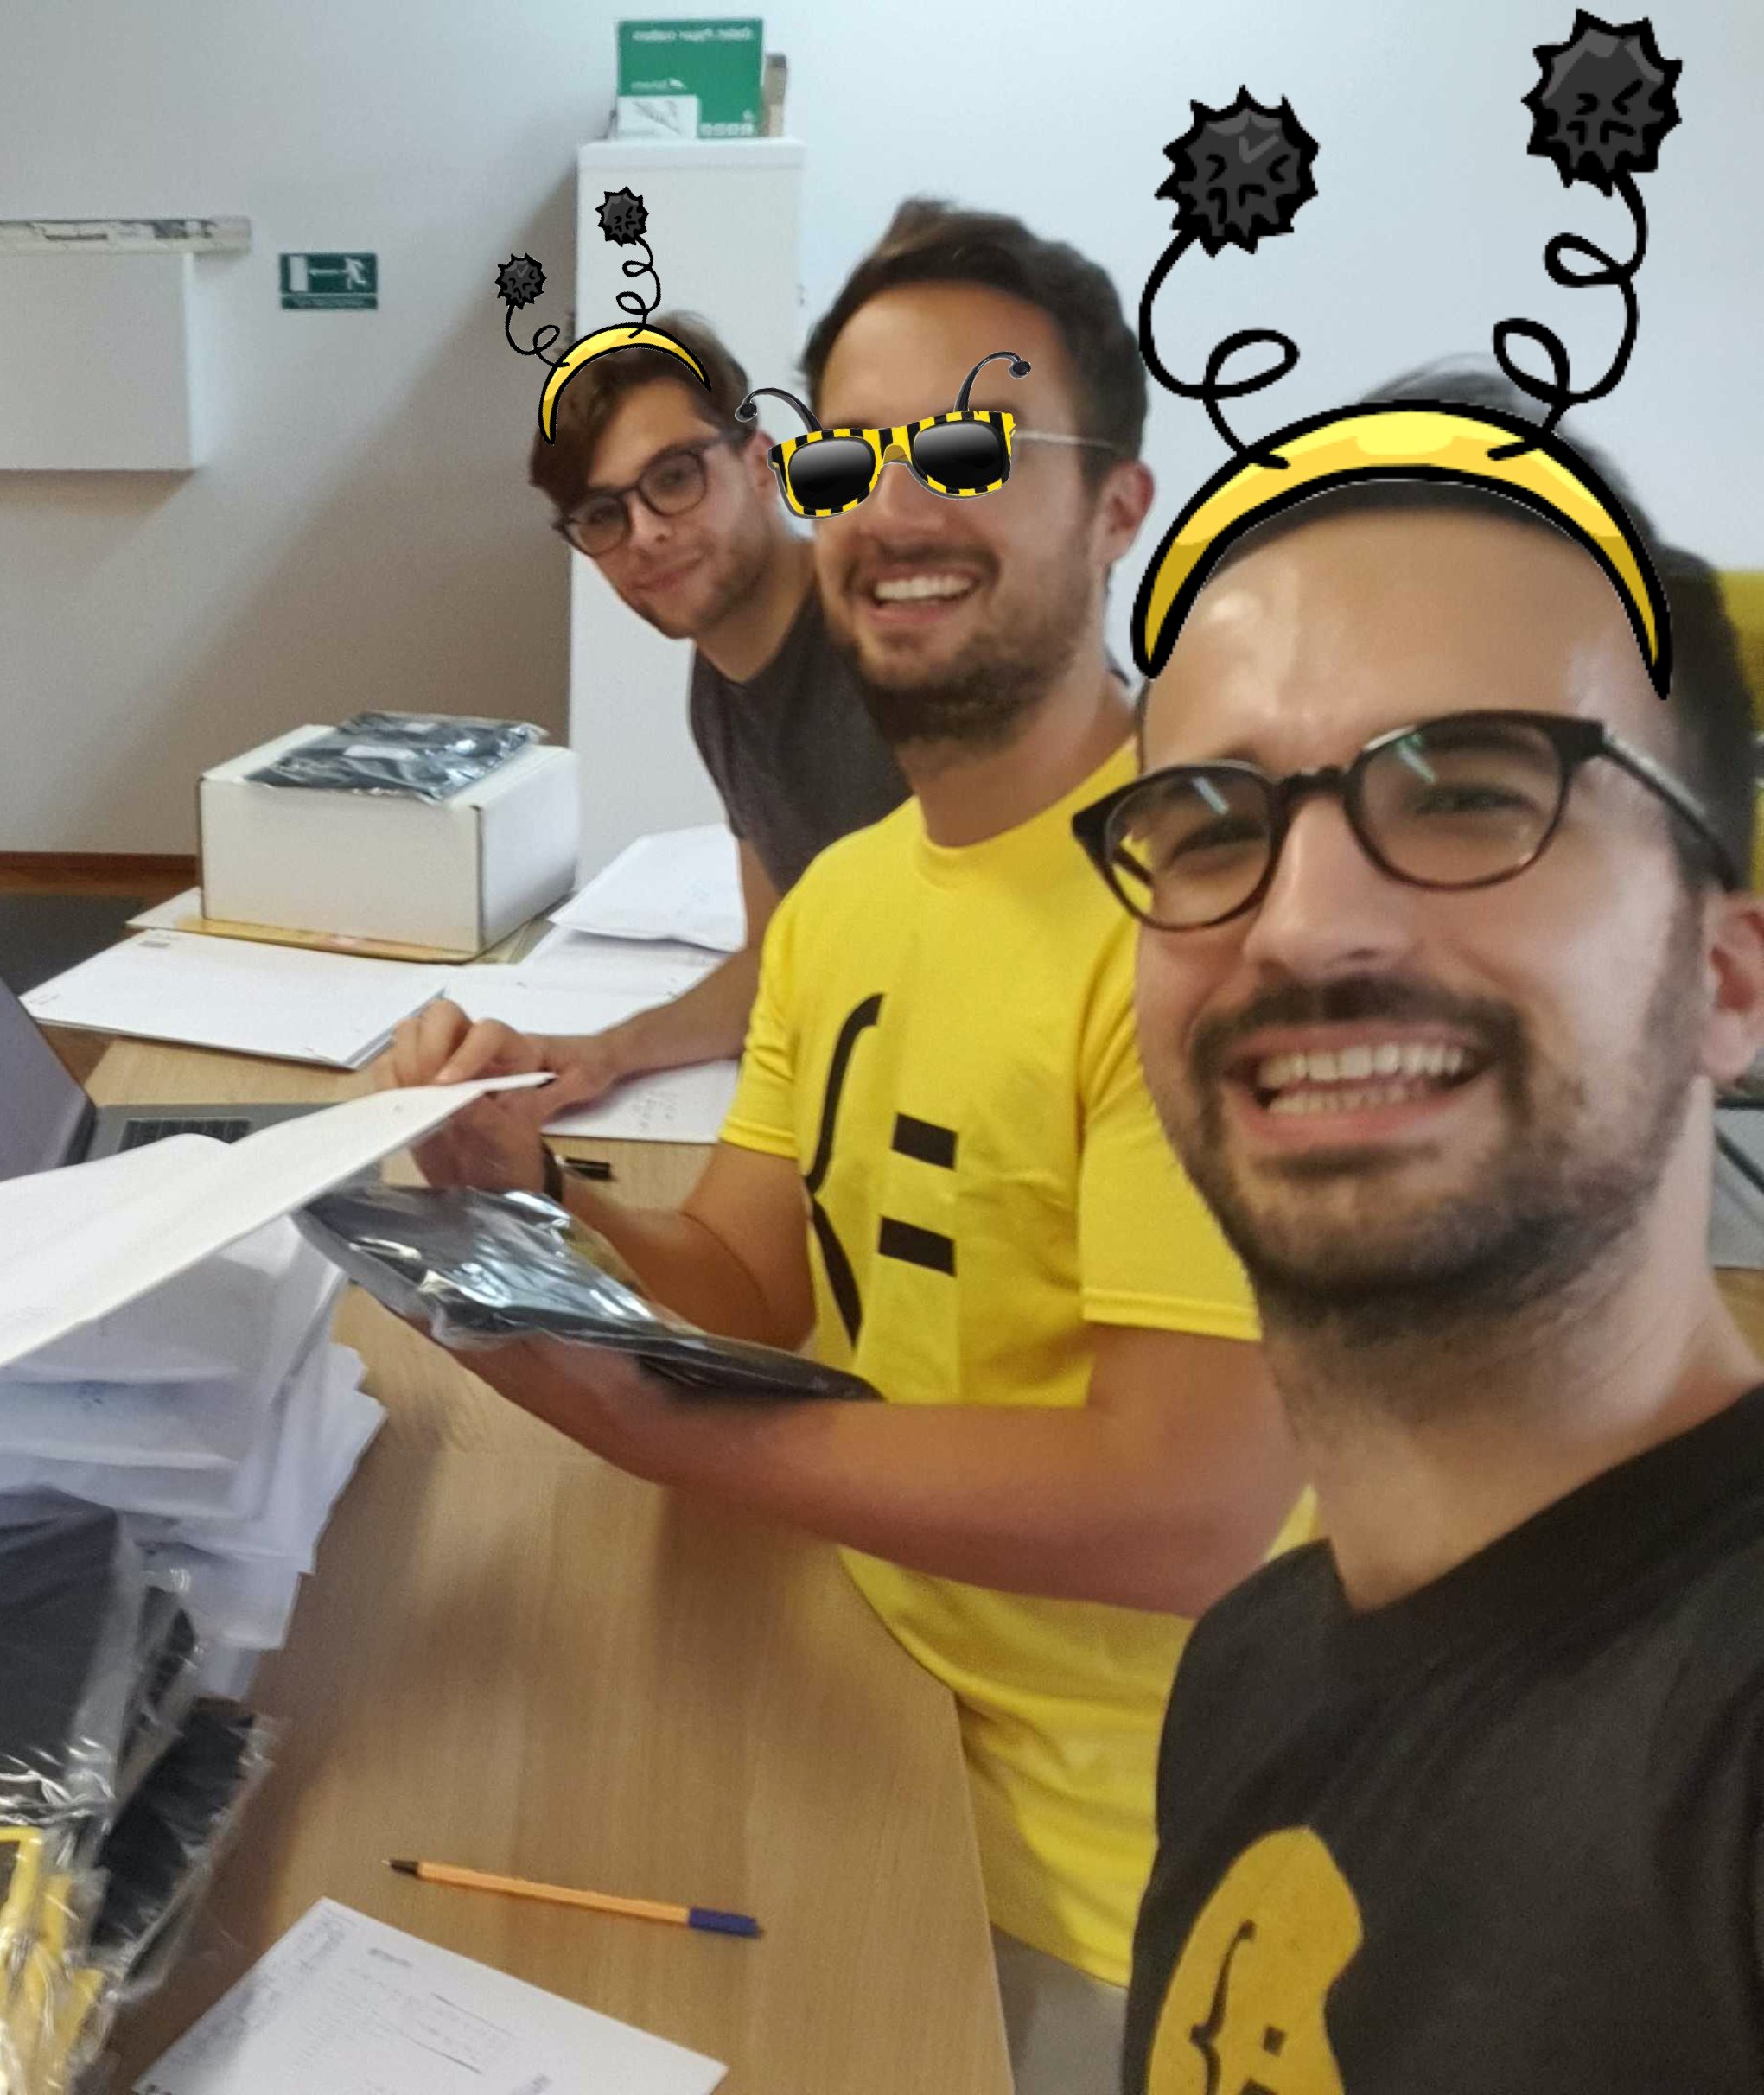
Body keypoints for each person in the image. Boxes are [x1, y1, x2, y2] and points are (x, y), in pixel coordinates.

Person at [388, 200, 1306, 2092]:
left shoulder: (1221, 921)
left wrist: (677, 1434)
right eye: (851, 454)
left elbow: (1186, 1508)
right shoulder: (847, 901)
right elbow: (745, 1271)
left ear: (1116, 508)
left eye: (966, 448)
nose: (891, 505)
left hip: (1108, 1855)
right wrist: (526, 1187)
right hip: (865, 1670)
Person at [1094, 443, 1764, 2087]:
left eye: (1469, 792)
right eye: (1209, 825)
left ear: (1728, 981)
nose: (1303, 925)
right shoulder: (1247, 1669)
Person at [398, 312, 906, 1117]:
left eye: (674, 479)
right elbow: (776, 956)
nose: (645, 535)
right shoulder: (721, 685)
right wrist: (603, 1055)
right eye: (603, 515)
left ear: (760, 463)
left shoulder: (893, 646)